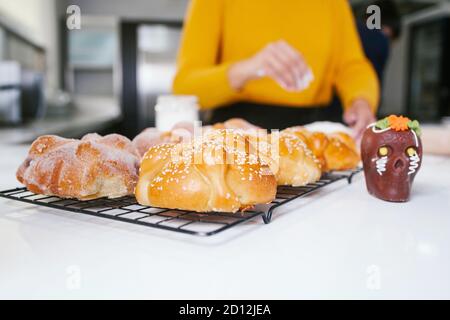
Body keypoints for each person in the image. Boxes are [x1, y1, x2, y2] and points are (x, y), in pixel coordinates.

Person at [173, 0, 379, 139]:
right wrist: (248, 68)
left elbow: (352, 66)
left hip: (311, 134)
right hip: (236, 134)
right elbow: (185, 86)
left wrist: (361, 99)